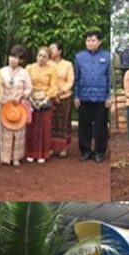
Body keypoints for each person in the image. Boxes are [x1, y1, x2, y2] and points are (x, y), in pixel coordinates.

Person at [73, 30, 111, 162]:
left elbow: (109, 78)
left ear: (99, 42)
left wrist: (109, 96)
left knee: (100, 127)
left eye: (93, 40)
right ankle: (85, 151)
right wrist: (76, 95)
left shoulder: (107, 56)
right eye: (88, 40)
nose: (90, 43)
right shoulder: (79, 57)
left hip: (101, 99)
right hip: (84, 97)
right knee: (84, 127)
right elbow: (76, 78)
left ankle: (99, 152)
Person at [0, 45, 31, 167]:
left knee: (18, 132)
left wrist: (22, 95)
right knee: (5, 131)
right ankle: (5, 157)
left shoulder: (24, 73)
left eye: (16, 58)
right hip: (4, 104)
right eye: (11, 56)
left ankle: (16, 157)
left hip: (18, 105)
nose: (13, 59)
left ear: (21, 60)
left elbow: (29, 89)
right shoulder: (1, 71)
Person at [49, 42, 76, 158]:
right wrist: (53, 93)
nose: (51, 51)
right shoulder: (47, 63)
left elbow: (71, 80)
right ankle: (50, 147)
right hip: (49, 97)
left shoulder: (67, 64)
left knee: (63, 122)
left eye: (53, 48)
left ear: (59, 51)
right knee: (51, 123)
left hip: (64, 97)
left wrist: (61, 91)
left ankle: (63, 148)